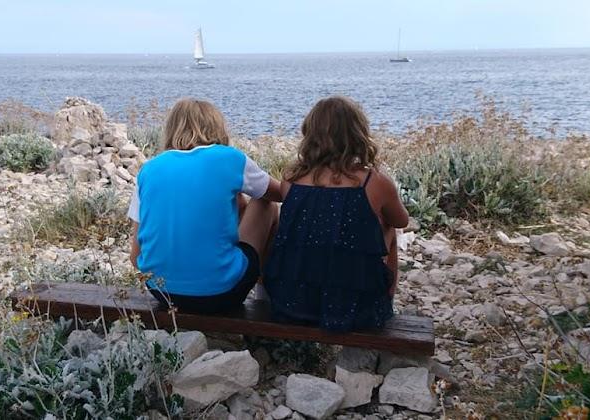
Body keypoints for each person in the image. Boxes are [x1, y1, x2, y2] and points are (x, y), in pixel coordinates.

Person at [264, 96, 409, 332]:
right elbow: (401, 220)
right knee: (388, 227)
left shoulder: (291, 179)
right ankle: (383, 303)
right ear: (358, 134)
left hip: (292, 302)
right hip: (355, 309)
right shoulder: (374, 182)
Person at [128, 98, 281, 313]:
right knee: (265, 204)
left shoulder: (148, 169)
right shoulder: (230, 158)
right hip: (222, 292)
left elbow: (136, 257)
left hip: (162, 292)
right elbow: (281, 193)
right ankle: (264, 302)